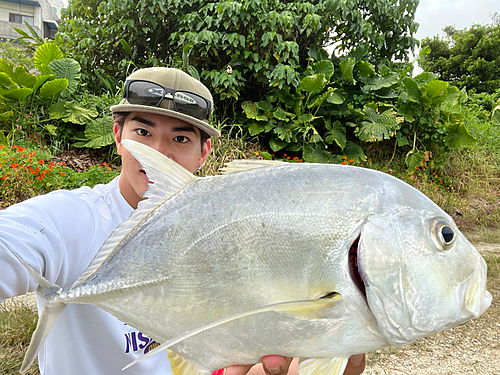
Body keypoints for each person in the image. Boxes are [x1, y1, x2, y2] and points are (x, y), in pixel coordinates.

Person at [0, 67, 365, 375]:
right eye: (143, 133)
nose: (158, 153)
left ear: (205, 152)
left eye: (180, 138)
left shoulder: (233, 232)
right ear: (117, 136)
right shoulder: (70, 220)